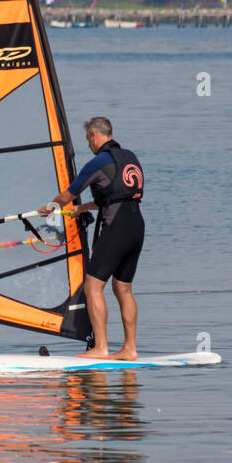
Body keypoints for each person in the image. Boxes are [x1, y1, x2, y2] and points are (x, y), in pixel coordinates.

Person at [40, 117, 145, 360]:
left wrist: (50, 206)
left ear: (95, 136)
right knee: (124, 288)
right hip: (136, 224)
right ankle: (130, 349)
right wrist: (82, 208)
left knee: (93, 286)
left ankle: (101, 348)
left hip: (116, 227)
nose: (88, 145)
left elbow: (68, 193)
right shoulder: (131, 157)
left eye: (89, 139)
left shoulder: (98, 162)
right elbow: (117, 195)